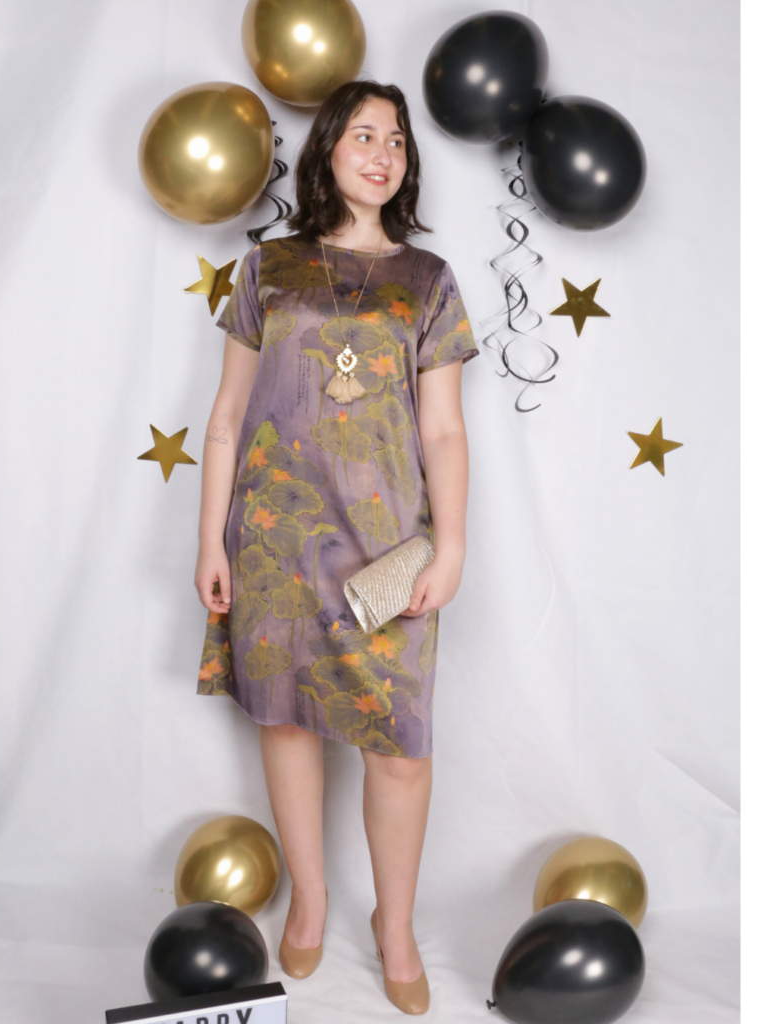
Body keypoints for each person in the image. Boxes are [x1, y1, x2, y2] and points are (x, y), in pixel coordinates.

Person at [194, 80, 479, 1015]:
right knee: (286, 717)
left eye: (395, 139)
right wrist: (211, 541)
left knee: (397, 745)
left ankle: (392, 924)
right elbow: (229, 417)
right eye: (363, 134)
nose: (381, 151)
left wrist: (452, 546)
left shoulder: (427, 283)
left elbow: (442, 434)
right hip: (273, 540)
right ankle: (311, 903)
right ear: (328, 152)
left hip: (384, 549)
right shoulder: (267, 270)